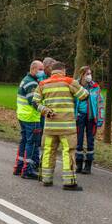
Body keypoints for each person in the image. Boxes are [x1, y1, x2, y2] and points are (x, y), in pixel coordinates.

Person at [36, 61, 90, 190]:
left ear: (52, 71)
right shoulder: (69, 81)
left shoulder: (43, 84)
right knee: (68, 152)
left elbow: (35, 102)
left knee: (48, 151)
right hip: (67, 128)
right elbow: (85, 96)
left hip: (49, 128)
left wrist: (46, 111)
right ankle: (69, 182)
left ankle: (46, 179)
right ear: (63, 70)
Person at [14, 60, 44, 179]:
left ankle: (19, 166)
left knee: (24, 141)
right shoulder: (31, 84)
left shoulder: (26, 80)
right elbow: (34, 102)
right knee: (32, 143)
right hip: (31, 117)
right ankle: (28, 170)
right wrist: (47, 110)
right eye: (40, 69)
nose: (42, 72)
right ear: (33, 69)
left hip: (23, 115)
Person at [74, 65, 104, 175]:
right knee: (79, 141)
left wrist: (100, 118)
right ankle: (78, 163)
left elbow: (100, 103)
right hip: (79, 116)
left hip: (91, 118)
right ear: (82, 75)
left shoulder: (95, 87)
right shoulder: (75, 85)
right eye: (87, 74)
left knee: (90, 141)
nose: (89, 76)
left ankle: (88, 165)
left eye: (90, 74)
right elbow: (72, 102)